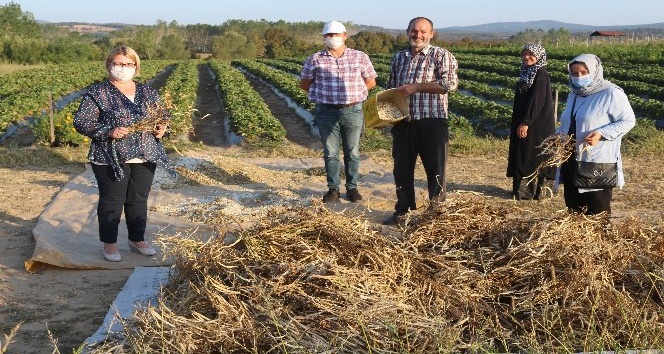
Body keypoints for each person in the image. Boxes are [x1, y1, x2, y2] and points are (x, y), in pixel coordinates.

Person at [74, 46, 174, 262]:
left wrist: (163, 127)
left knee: (138, 199)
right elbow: (81, 122)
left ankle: (137, 239)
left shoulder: (148, 92)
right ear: (109, 65)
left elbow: (163, 116)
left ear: (136, 67)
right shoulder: (98, 93)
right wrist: (108, 131)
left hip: (145, 152)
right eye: (119, 64)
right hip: (111, 155)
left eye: (129, 64)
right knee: (112, 200)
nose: (124, 68)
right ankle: (109, 244)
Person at [382, 17, 459, 225]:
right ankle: (403, 211)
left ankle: (436, 213)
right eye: (414, 31)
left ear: (432, 34)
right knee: (401, 169)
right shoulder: (398, 58)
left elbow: (449, 84)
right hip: (403, 122)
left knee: (436, 169)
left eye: (423, 31)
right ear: (407, 31)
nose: (418, 35)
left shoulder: (441, 55)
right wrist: (384, 113)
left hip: (431, 122)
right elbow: (391, 86)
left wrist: (416, 87)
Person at [300, 21, 377, 203]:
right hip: (326, 111)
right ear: (324, 38)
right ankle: (333, 189)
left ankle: (352, 188)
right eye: (328, 35)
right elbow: (304, 83)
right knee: (331, 152)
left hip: (353, 110)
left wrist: (355, 94)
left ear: (344, 36)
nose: (332, 38)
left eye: (335, 34)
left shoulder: (360, 57)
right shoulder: (315, 59)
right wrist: (324, 96)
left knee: (352, 151)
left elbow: (371, 81)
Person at [556, 54, 635, 215]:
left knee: (597, 208)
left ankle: (600, 238)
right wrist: (557, 136)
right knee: (574, 207)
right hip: (571, 158)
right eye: (574, 73)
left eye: (584, 72)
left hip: (596, 161)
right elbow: (570, 122)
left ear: (595, 71)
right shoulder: (574, 94)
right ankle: (577, 239)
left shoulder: (610, 93)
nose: (579, 77)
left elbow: (628, 121)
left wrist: (601, 133)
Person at [506, 43, 555, 200]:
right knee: (525, 152)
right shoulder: (527, 72)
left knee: (533, 154)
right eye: (524, 54)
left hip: (537, 123)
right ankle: (524, 192)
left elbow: (537, 99)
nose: (527, 57)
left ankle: (535, 192)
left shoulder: (541, 73)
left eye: (531, 54)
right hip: (527, 120)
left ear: (539, 56)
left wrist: (526, 121)